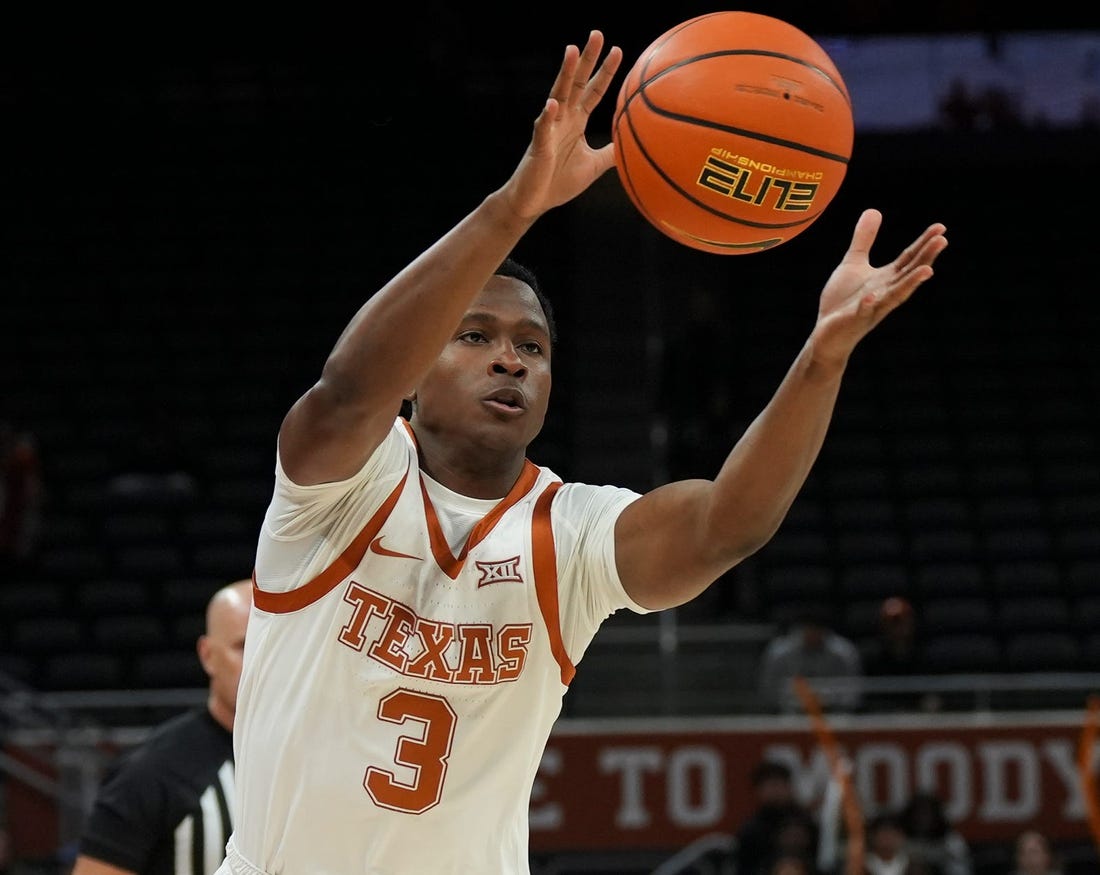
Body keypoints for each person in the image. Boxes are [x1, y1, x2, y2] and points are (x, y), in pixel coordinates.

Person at [217, 29, 948, 875]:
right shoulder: (339, 486)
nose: (510, 358)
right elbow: (348, 388)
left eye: (533, 346)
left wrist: (821, 359)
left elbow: (724, 526)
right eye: (477, 335)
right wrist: (514, 207)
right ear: (418, 367)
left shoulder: (569, 530)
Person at [72, 579, 252, 875]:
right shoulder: (152, 770)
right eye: (243, 646)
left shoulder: (320, 754)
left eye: (271, 648)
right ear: (208, 655)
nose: (260, 663)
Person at [758, 607, 865, 713]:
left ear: (825, 631)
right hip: (789, 713)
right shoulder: (779, 653)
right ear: (800, 629)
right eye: (808, 628)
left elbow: (853, 692)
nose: (813, 633)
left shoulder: (844, 653)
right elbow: (769, 690)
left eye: (817, 629)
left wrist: (829, 702)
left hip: (835, 713)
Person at [733, 759, 820, 875]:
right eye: (771, 785)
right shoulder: (751, 830)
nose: (776, 791)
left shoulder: (805, 823)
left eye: (780, 784)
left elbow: (822, 860)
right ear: (759, 790)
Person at [859, 596, 941, 713]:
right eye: (891, 623)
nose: (897, 628)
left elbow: (933, 697)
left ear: (910, 622)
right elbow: (868, 699)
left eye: (900, 621)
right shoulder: (871, 660)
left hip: (918, 723)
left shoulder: (925, 658)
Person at [898, 790, 973, 875]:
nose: (922, 818)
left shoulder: (952, 841)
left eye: (927, 813)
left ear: (936, 815)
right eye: (918, 814)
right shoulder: (899, 839)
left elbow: (961, 869)